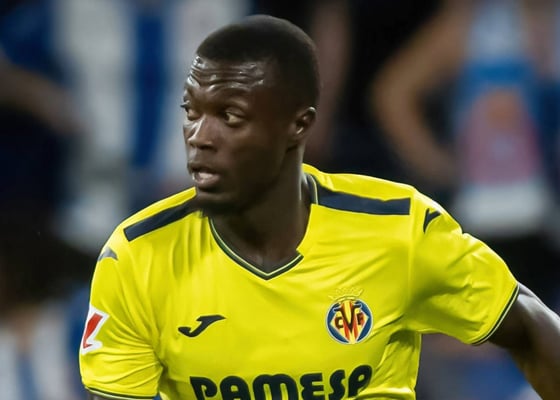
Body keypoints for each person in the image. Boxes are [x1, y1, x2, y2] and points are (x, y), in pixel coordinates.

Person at [78, 15, 560, 400]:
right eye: (191, 112)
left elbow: (529, 325)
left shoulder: (398, 231)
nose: (199, 137)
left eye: (230, 116)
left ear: (298, 125)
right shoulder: (138, 258)